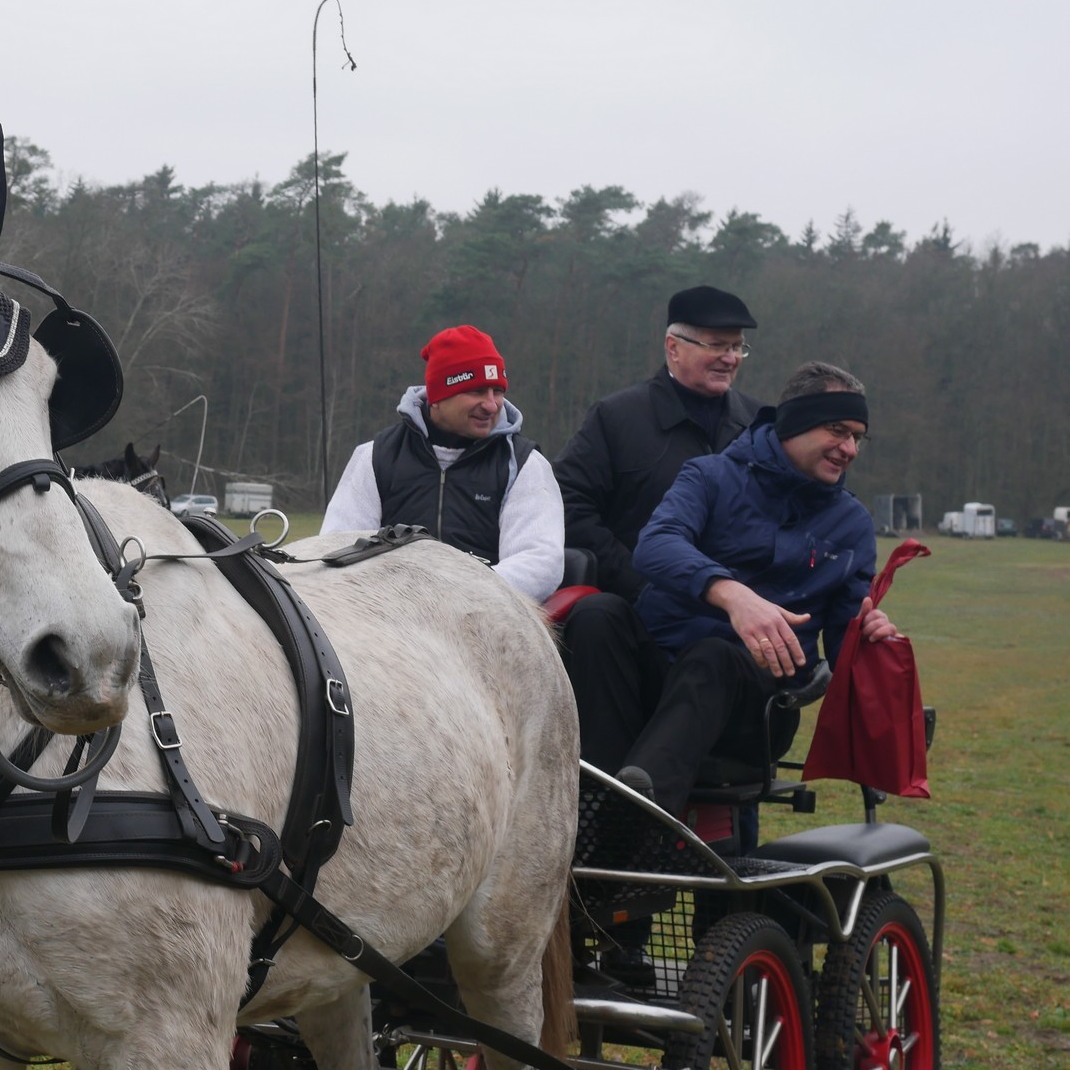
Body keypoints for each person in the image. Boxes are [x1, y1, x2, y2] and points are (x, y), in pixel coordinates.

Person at [575, 362, 898, 817]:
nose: (849, 449)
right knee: (597, 615)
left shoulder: (852, 524)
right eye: (838, 431)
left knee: (715, 654)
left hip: (755, 709)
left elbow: (845, 647)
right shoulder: (709, 476)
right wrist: (732, 595)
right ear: (796, 423)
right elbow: (656, 545)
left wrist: (869, 638)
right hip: (659, 678)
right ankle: (589, 794)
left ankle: (633, 816)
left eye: (857, 438)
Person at [322, 324, 564, 602]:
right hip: (386, 615)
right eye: (476, 392)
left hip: (487, 620)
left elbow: (540, 560)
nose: (492, 405)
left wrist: (453, 598)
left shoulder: (525, 465)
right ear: (438, 397)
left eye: (497, 391)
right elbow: (339, 547)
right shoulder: (375, 457)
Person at [553, 286, 766, 602]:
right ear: (673, 347)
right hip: (637, 608)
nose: (730, 358)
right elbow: (568, 505)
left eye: (737, 347)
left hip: (740, 615)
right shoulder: (616, 418)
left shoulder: (759, 426)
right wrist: (638, 581)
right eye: (717, 345)